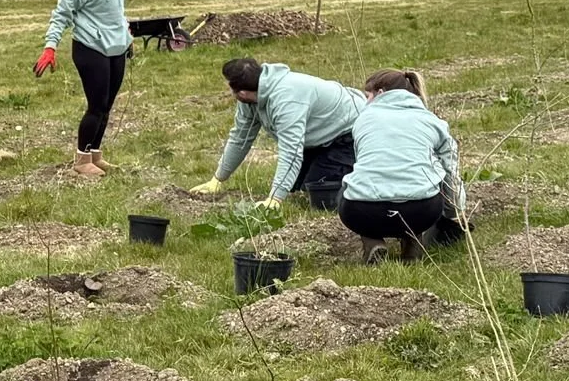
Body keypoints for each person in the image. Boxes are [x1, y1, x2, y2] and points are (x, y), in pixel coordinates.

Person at [194, 58, 366, 212]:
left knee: (315, 194)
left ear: (242, 92)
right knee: (295, 189)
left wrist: (275, 199)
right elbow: (240, 138)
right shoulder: (249, 100)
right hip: (319, 140)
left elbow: (291, 152)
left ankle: (362, 177)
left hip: (350, 133)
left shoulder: (287, 100)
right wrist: (217, 179)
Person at [34, 0, 129, 180]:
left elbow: (118, 11)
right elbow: (61, 16)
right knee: (96, 105)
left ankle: (96, 155)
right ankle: (81, 159)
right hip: (91, 48)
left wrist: (126, 36)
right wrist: (50, 47)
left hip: (117, 47)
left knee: (108, 105)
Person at [340, 69, 466, 263]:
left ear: (380, 93)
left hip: (363, 211)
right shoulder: (432, 120)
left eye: (367, 96)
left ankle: (373, 242)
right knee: (433, 175)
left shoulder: (363, 120)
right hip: (421, 211)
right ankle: (412, 242)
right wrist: (453, 213)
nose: (366, 102)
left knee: (348, 188)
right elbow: (450, 171)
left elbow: (362, 167)